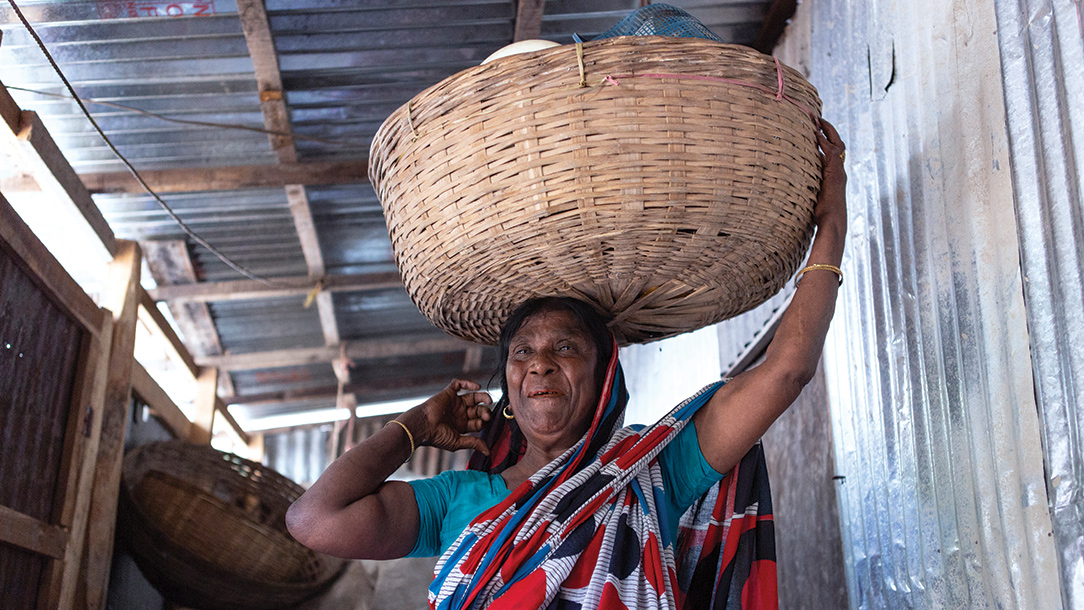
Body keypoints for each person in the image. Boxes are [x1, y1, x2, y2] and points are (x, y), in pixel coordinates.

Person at [287, 115, 847, 609]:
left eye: (566, 347)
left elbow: (786, 372)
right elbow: (313, 520)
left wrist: (832, 223)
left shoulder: (653, 472)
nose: (539, 364)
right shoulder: (458, 500)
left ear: (605, 378)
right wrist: (417, 425)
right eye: (522, 352)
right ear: (508, 386)